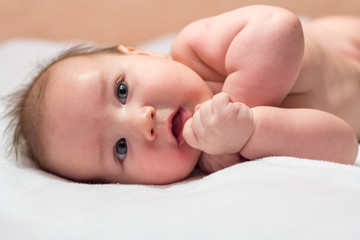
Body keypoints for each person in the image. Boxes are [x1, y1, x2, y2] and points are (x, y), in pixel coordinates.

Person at [4, 5, 359, 185]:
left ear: (142, 53)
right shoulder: (220, 165)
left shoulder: (196, 51)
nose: (141, 122)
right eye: (121, 148)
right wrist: (248, 131)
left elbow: (279, 28)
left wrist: (232, 107)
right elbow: (343, 145)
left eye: (122, 91)